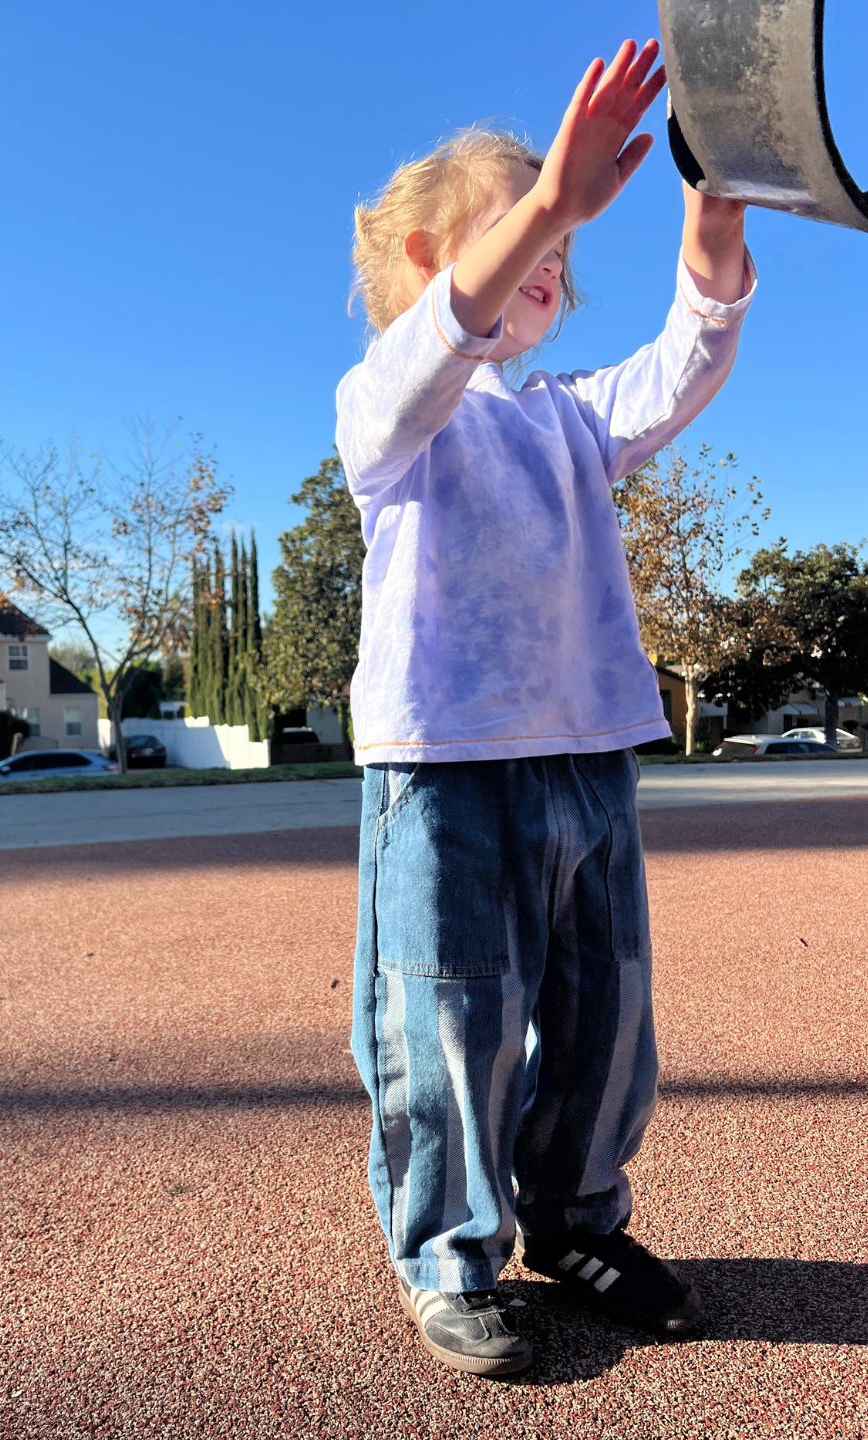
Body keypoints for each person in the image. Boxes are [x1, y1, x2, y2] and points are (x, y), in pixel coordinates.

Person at [337, 39, 752, 1377]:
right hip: (446, 767)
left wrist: (713, 197)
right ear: (422, 255)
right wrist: (549, 206)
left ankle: (575, 1221)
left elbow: (688, 358)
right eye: (519, 225)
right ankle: (447, 1251)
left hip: (584, 758)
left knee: (602, 1014)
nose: (554, 251)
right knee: (447, 1016)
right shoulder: (389, 413)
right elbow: (437, 347)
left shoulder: (569, 418)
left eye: (565, 237)